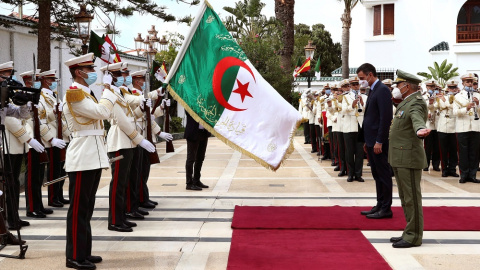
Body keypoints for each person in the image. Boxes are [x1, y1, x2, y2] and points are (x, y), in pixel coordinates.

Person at [63, 53, 118, 269]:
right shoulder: (74, 95)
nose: (94, 73)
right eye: (90, 69)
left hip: (92, 157)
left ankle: (84, 252)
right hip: (81, 158)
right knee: (78, 210)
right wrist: (108, 91)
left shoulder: (87, 95)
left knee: (87, 208)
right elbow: (103, 112)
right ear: (79, 72)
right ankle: (74, 256)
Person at [388, 69, 430, 248]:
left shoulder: (416, 103)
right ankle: (409, 231)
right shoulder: (406, 101)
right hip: (400, 156)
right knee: (406, 197)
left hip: (409, 157)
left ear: (406, 86)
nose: (396, 87)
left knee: (412, 197)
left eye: (398, 84)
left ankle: (413, 236)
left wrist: (420, 130)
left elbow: (417, 119)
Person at [357, 63, 393, 219]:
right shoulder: (373, 90)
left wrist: (379, 141)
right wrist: (367, 140)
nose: (360, 82)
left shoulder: (382, 90)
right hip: (371, 140)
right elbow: (370, 117)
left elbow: (385, 118)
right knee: (376, 174)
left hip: (379, 142)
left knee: (383, 174)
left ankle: (386, 208)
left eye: (362, 78)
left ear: (370, 74)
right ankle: (379, 204)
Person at [39, 69, 68, 208]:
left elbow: (62, 118)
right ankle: (52, 197)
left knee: (61, 169)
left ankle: (59, 195)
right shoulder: (40, 97)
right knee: (53, 170)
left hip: (60, 136)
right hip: (51, 138)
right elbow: (42, 117)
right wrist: (54, 111)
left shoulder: (54, 96)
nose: (54, 83)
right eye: (52, 80)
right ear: (46, 81)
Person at [453, 73, 480, 183]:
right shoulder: (458, 96)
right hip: (463, 128)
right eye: (467, 81)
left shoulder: (478, 96)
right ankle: (463, 175)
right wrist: (466, 108)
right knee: (463, 153)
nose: (469, 83)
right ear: (463, 83)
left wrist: (478, 105)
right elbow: (455, 112)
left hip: (475, 127)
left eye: (471, 81)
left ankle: (472, 175)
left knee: (474, 152)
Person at [436, 81, 459, 177]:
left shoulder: (458, 97)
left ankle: (452, 169)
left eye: (454, 87)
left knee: (453, 149)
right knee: (443, 149)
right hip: (442, 125)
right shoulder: (440, 97)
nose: (452, 89)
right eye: (450, 88)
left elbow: (455, 108)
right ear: (447, 88)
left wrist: (445, 101)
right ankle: (444, 169)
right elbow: (434, 108)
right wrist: (431, 102)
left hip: (453, 126)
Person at [185, 112, 210, 190]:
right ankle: (189, 183)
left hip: (204, 132)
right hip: (193, 132)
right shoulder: (190, 101)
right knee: (191, 158)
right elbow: (189, 113)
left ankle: (196, 180)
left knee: (200, 158)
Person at [423, 80, 441, 172]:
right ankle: (425, 164)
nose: (431, 88)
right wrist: (426, 114)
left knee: (436, 146)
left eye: (433, 86)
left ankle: (436, 164)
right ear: (426, 87)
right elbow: (421, 109)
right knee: (428, 146)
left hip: (437, 124)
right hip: (428, 124)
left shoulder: (438, 97)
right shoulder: (422, 97)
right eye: (429, 86)